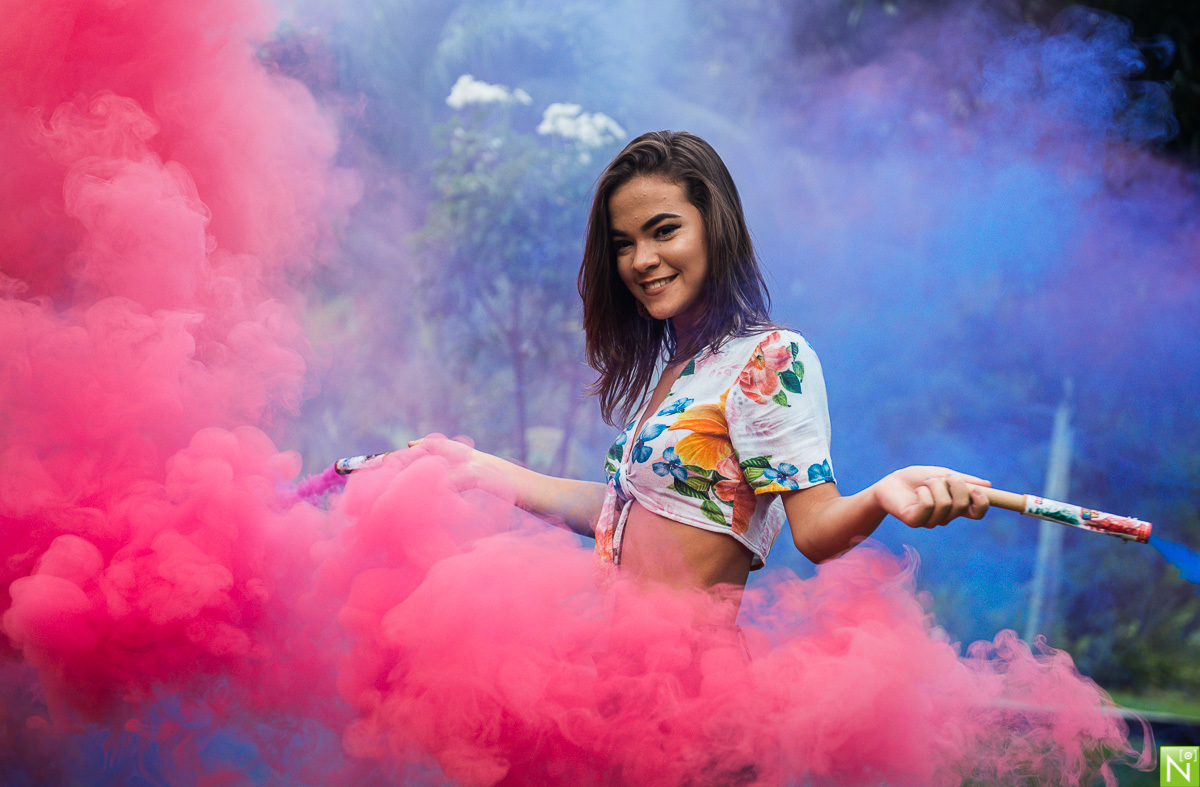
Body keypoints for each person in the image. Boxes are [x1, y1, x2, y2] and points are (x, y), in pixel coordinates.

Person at [412, 130, 990, 608]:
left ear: (714, 228)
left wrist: (884, 495)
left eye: (665, 231)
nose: (642, 260)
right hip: (611, 685)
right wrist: (474, 466)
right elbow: (621, 514)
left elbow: (816, 529)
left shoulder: (769, 358)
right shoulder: (680, 370)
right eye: (623, 244)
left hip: (687, 700)